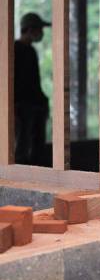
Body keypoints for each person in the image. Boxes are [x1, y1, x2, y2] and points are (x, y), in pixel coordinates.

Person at [14, 12, 51, 165]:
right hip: (22, 107)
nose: (41, 33)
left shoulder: (31, 51)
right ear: (29, 29)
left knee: (37, 148)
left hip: (35, 106)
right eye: (39, 29)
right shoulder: (14, 50)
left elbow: (35, 83)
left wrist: (43, 102)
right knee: (21, 148)